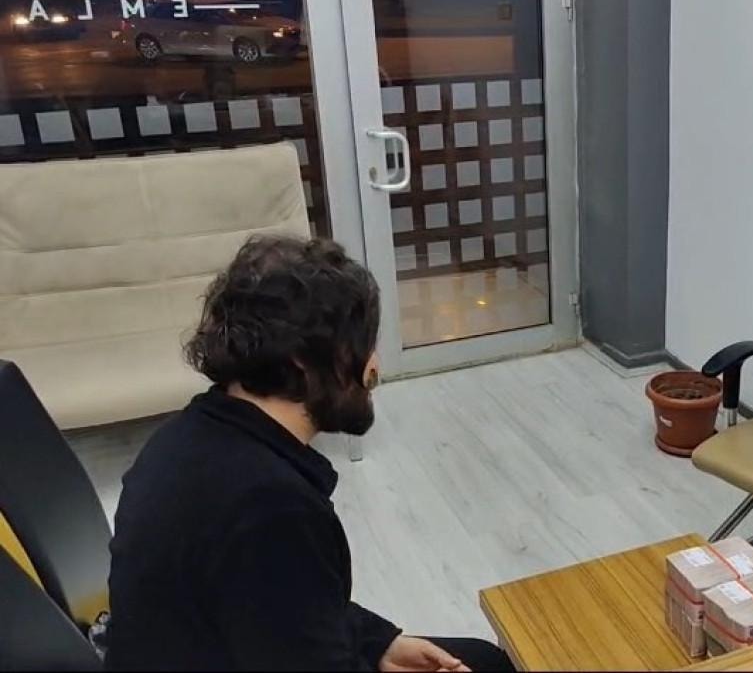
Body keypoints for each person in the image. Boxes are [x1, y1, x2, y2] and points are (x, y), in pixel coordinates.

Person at [105, 236, 514, 671]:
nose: (373, 365)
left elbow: (283, 608)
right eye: (361, 347)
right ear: (302, 363)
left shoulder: (186, 437)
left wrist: (377, 643)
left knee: (486, 659)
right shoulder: (270, 508)